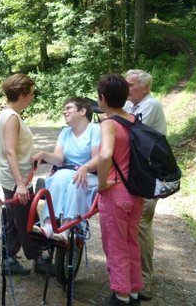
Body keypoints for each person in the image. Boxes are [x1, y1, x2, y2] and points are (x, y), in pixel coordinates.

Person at [0, 73, 49, 276]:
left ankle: (9, 259)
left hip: (14, 175)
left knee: (14, 217)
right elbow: (9, 151)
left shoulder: (7, 114)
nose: (32, 97)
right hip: (16, 179)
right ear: (21, 95)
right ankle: (38, 258)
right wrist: (20, 184)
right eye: (31, 93)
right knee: (26, 218)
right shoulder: (12, 118)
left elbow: (14, 149)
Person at [97, 74, 144, 306]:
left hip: (116, 192)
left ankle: (120, 294)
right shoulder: (134, 119)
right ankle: (134, 291)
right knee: (131, 242)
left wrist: (102, 183)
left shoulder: (109, 123)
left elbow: (105, 155)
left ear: (102, 98)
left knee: (115, 246)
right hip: (136, 192)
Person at [124, 69, 167, 301]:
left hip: (149, 176)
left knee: (141, 225)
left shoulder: (151, 105)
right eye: (126, 85)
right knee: (131, 224)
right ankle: (131, 277)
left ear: (146, 87)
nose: (127, 89)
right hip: (136, 175)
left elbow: (129, 132)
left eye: (131, 85)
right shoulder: (131, 106)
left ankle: (144, 279)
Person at [32, 97, 100, 242]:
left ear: (83, 111)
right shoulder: (65, 132)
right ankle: (49, 225)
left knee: (76, 182)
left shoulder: (95, 129)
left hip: (89, 174)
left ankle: (65, 229)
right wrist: (43, 154)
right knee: (57, 178)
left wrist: (85, 167)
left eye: (69, 108)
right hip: (68, 172)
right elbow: (59, 158)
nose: (64, 111)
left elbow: (98, 158)